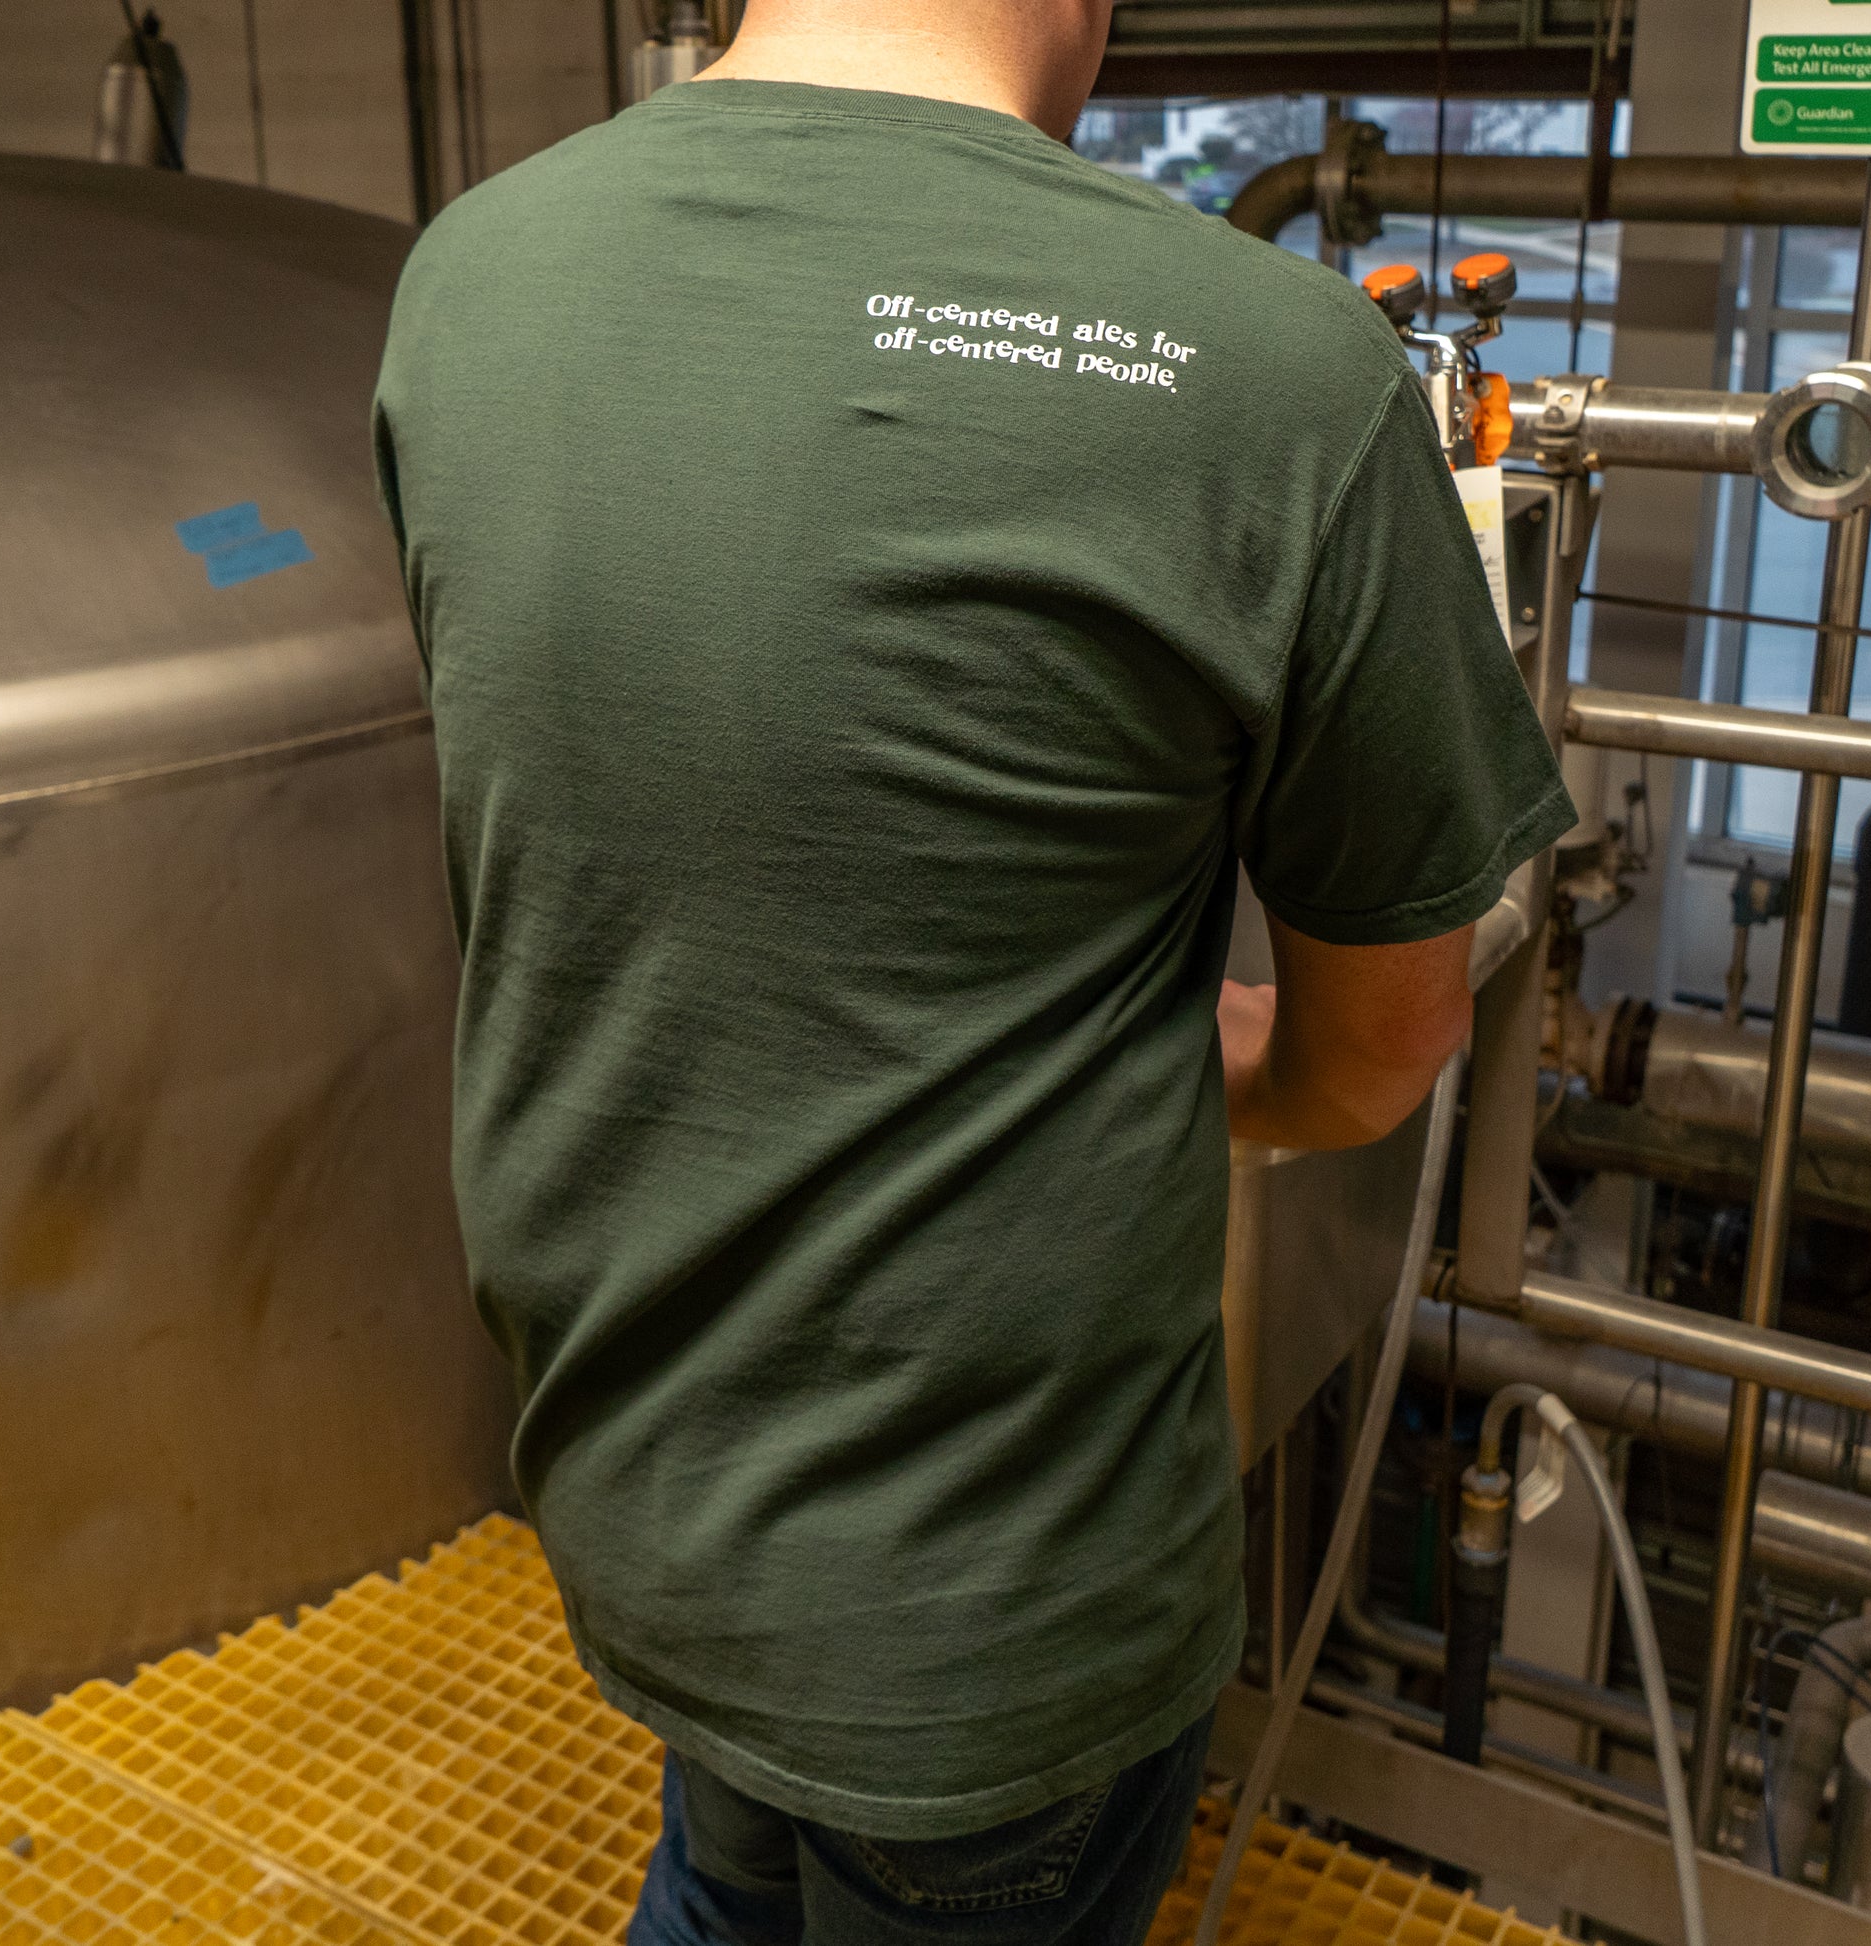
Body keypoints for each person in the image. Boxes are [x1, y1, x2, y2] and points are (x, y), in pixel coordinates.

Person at [371, 2, 1576, 1939]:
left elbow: (633, 819)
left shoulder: (466, 282)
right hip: (994, 1621)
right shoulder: (1272, 376)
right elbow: (1390, 1044)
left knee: (724, 1873)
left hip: (650, 1515)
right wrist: (1235, 1061)